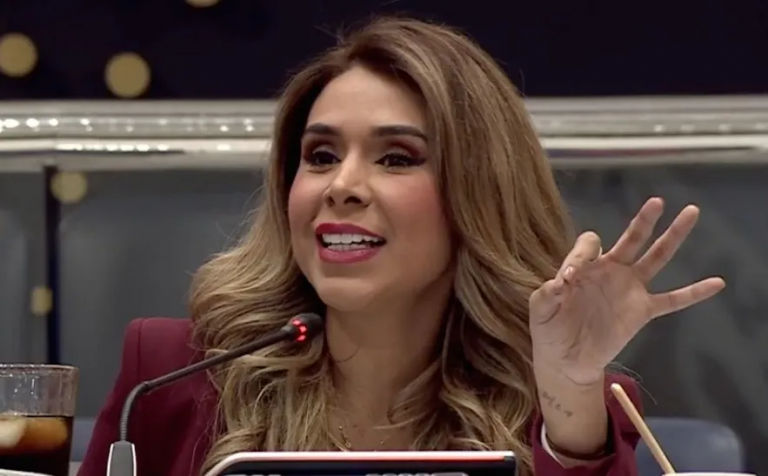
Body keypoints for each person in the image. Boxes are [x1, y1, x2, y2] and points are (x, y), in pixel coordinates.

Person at [77, 16, 725, 476]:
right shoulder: (172, 376)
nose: (342, 186)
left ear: (479, 194)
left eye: (396, 158)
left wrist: (571, 389)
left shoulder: (568, 398)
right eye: (321, 156)